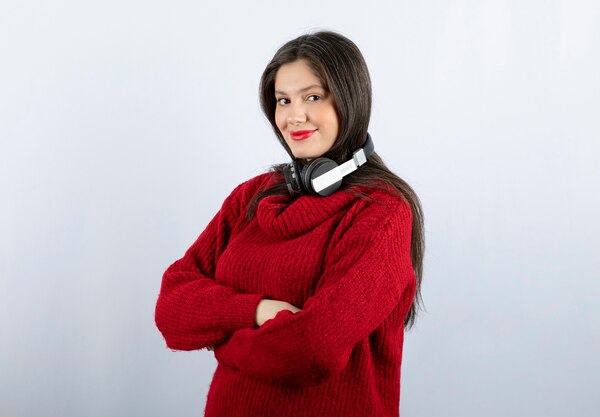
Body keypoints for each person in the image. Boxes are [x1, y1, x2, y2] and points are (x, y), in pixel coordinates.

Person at [155, 30, 425, 417]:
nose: (293, 116)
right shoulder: (252, 197)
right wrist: (259, 312)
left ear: (350, 100)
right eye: (283, 100)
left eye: (312, 97)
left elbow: (312, 348)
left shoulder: (382, 214)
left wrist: (223, 344)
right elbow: (171, 307)